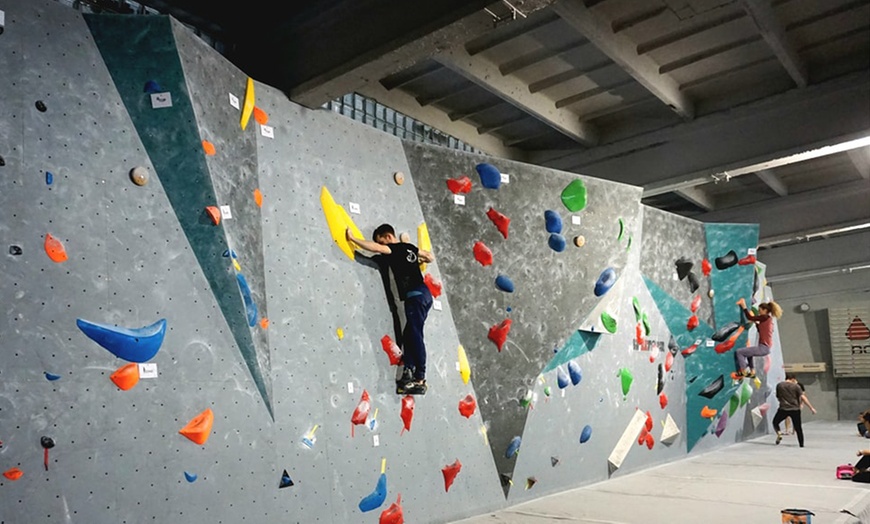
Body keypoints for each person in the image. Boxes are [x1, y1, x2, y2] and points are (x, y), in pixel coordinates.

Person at [347, 224, 434, 395]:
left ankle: (420, 378)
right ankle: (408, 371)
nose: (382, 247)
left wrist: (353, 239)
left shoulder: (393, 249)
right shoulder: (410, 248)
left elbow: (375, 247)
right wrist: (418, 259)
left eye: (382, 242)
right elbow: (430, 257)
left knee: (415, 334)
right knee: (410, 333)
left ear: (387, 237)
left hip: (414, 296)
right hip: (424, 295)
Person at [734, 298, 782, 378]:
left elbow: (749, 317)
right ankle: (752, 370)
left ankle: (743, 371)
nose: (759, 313)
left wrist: (744, 306)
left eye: (760, 311)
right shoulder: (768, 320)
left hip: (763, 347)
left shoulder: (764, 317)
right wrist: (756, 323)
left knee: (739, 352)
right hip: (765, 348)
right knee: (749, 352)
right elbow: (760, 330)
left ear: (765, 310)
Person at [773, 373, 816, 447]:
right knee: (798, 427)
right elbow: (803, 397)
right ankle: (801, 444)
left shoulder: (779, 385)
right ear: (793, 378)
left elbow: (778, 397)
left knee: (775, 422)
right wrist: (811, 408)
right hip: (795, 409)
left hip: (783, 408)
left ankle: (779, 433)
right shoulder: (796, 386)